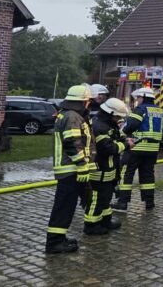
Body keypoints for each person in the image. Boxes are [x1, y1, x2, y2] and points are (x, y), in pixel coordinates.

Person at [45, 85, 93, 254]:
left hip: (69, 168)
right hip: (70, 169)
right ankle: (54, 243)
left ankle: (59, 238)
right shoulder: (73, 117)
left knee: (66, 206)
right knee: (64, 206)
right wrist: (81, 165)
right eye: (88, 101)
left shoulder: (67, 114)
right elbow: (72, 143)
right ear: (84, 101)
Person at [85, 98, 135, 235]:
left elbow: (114, 138)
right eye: (117, 116)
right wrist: (126, 145)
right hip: (99, 170)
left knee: (105, 198)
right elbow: (107, 148)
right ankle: (91, 225)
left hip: (108, 169)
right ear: (110, 113)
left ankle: (105, 220)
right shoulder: (99, 126)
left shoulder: (106, 123)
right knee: (96, 199)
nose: (118, 119)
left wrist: (124, 139)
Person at [112, 87, 163, 211]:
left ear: (143, 97)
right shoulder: (160, 111)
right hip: (153, 149)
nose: (137, 100)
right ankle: (149, 202)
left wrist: (121, 133)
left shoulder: (140, 110)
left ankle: (123, 202)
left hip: (136, 147)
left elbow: (130, 125)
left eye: (138, 98)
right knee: (148, 175)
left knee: (127, 173)